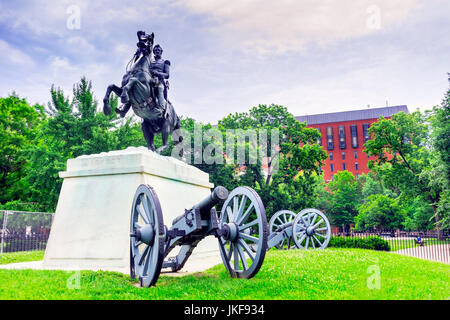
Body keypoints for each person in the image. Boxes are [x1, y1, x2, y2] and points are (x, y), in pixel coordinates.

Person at [149, 44, 170, 117]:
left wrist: (157, 73)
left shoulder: (165, 62)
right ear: (153, 52)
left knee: (160, 88)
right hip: (149, 81)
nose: (157, 51)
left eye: (158, 50)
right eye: (155, 50)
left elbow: (167, 75)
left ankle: (161, 109)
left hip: (159, 82)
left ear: (161, 51)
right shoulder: (150, 61)